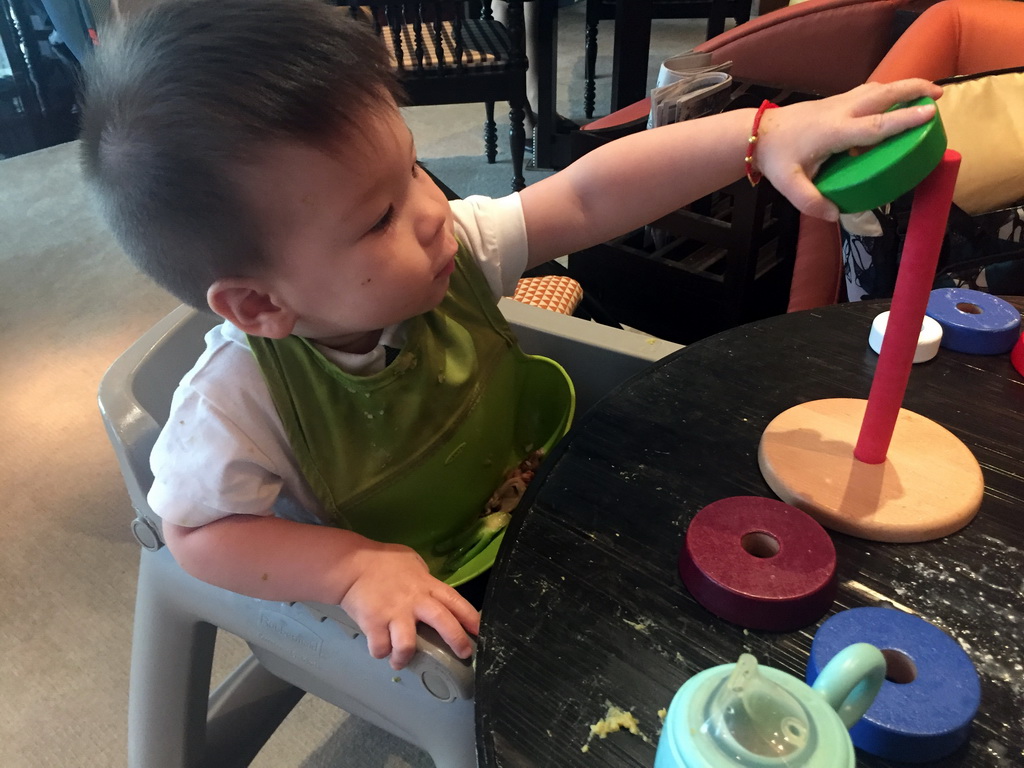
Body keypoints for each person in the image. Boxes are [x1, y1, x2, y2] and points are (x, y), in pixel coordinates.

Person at [80, 0, 941, 670]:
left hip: (534, 484)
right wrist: (347, 569)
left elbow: (587, 197)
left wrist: (760, 135)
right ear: (260, 306)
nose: (429, 215)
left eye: (413, 165)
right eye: (378, 216)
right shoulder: (237, 403)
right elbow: (195, 536)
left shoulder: (446, 248)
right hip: (444, 585)